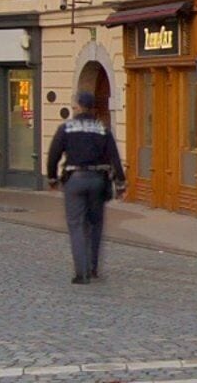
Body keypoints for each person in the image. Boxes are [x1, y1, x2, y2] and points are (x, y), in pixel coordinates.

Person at [46, 85, 125, 283]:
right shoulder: (102, 129)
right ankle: (93, 267)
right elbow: (114, 157)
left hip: (75, 180)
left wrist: (52, 178)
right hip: (98, 180)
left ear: (79, 107)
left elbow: (54, 155)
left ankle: (81, 272)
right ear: (92, 108)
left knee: (76, 226)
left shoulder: (66, 128)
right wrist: (120, 183)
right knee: (96, 224)